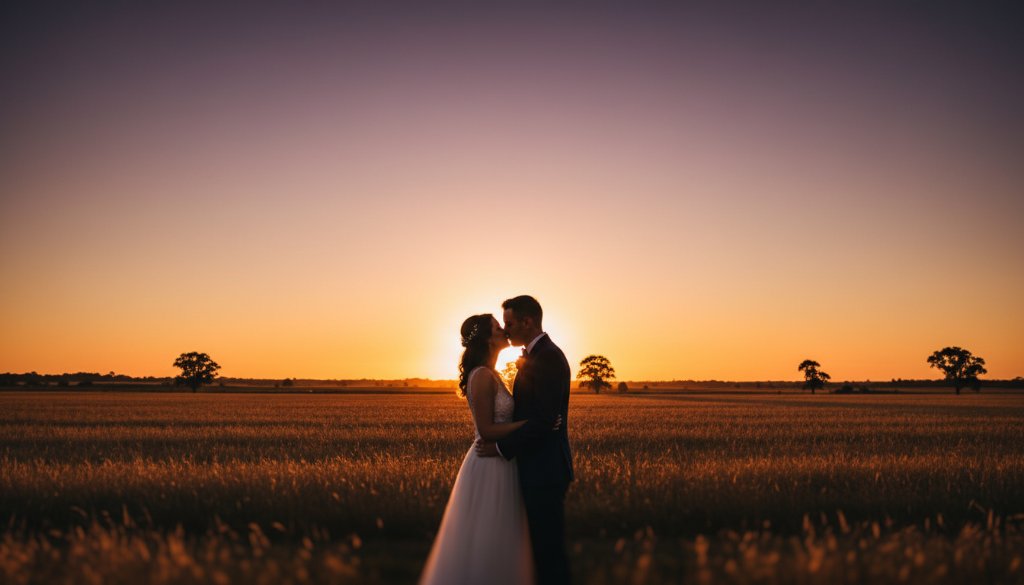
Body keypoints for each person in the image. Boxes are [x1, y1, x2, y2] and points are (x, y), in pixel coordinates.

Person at [419, 313, 561, 585]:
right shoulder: (482, 376)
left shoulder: (491, 373)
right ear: (487, 338)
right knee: (489, 532)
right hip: (489, 462)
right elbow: (486, 430)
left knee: (502, 533)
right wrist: (532, 424)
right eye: (498, 328)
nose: (505, 331)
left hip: (502, 458)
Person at [476, 295, 574, 585]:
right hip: (536, 468)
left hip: (545, 471)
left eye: (509, 323)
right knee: (538, 552)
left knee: (548, 554)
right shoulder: (536, 356)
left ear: (527, 321)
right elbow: (538, 418)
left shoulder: (548, 358)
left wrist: (499, 448)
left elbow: (543, 423)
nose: (505, 330)